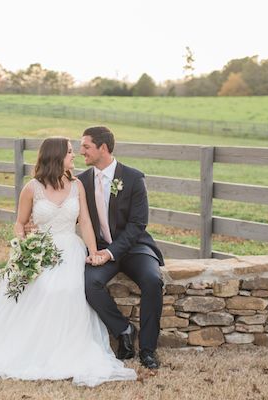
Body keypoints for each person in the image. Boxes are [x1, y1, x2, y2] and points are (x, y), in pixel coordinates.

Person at [0, 137, 137, 386]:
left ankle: (66, 349)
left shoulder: (76, 185)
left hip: (71, 250)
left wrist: (94, 252)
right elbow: (20, 224)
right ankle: (35, 348)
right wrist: (25, 248)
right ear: (56, 156)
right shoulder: (32, 187)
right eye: (70, 152)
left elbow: (85, 221)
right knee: (44, 288)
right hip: (41, 250)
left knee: (70, 289)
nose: (74, 156)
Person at [78, 126, 164, 370]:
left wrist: (110, 252)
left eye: (86, 146)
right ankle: (124, 329)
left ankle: (148, 350)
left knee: (152, 281)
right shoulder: (81, 181)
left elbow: (138, 224)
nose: (80, 150)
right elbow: (74, 215)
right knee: (90, 284)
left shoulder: (134, 178)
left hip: (135, 247)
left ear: (103, 148)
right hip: (101, 248)